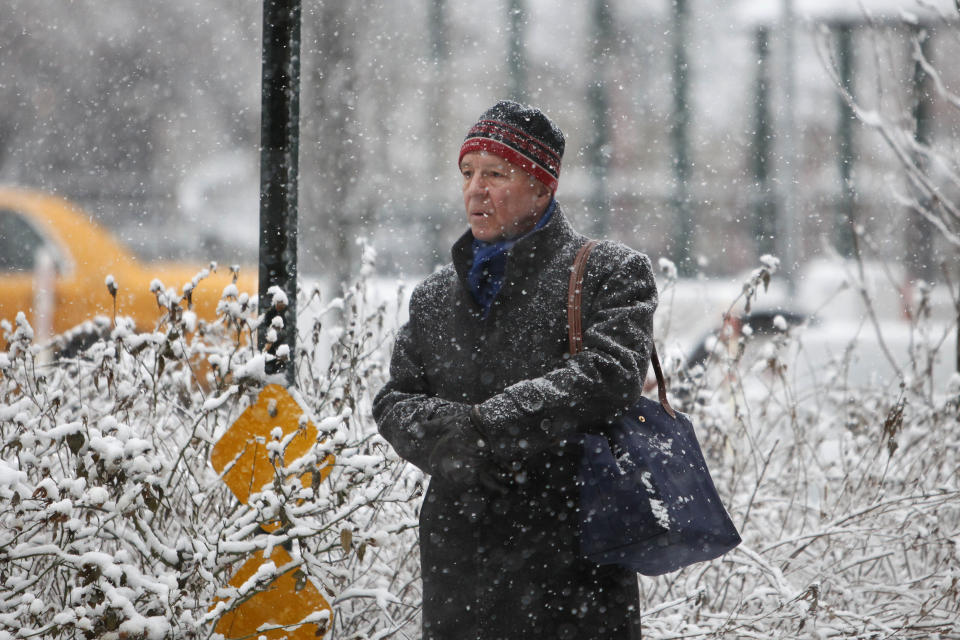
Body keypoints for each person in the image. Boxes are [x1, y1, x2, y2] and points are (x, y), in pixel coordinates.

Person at [373, 100, 657, 640]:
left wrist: (484, 428)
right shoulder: (433, 297)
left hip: (571, 568)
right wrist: (456, 443)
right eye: (467, 173)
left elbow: (608, 375)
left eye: (495, 174)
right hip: (458, 564)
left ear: (544, 187)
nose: (475, 189)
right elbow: (396, 400)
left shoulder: (608, 273)